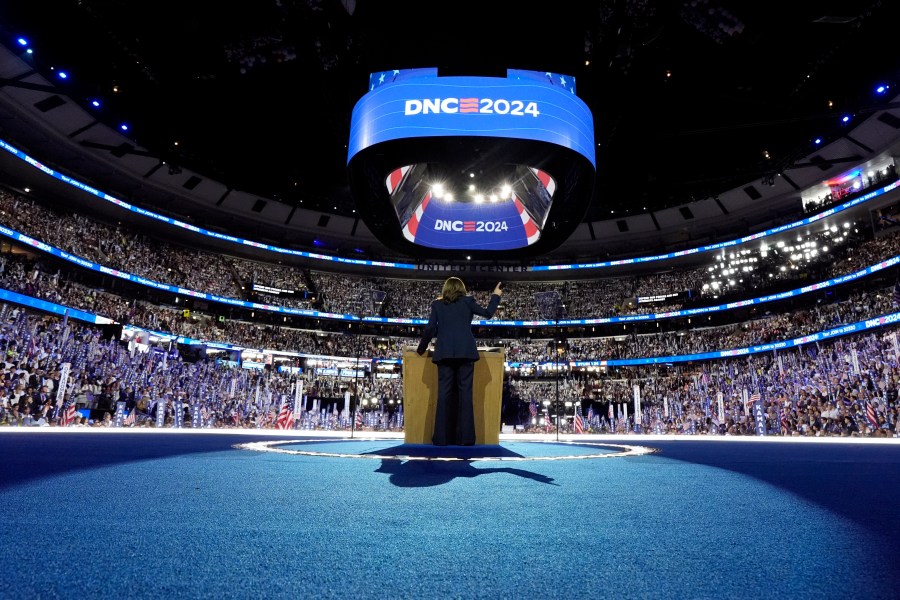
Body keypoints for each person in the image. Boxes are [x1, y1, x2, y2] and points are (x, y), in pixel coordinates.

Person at [416, 278, 503, 446]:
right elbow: (488, 313)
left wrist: (421, 349)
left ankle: (441, 439)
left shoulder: (437, 305)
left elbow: (430, 329)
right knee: (466, 395)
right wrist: (495, 295)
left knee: (443, 396)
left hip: (444, 353)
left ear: (445, 289)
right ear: (462, 289)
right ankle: (467, 439)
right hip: (465, 353)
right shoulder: (468, 302)